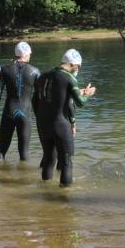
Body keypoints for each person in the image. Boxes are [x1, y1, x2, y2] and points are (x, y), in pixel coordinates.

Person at [33, 49, 97, 185]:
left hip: (43, 125)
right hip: (60, 124)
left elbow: (38, 101)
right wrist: (88, 94)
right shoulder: (69, 77)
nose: (78, 69)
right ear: (73, 64)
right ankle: (64, 200)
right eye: (78, 67)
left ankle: (44, 191)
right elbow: (80, 102)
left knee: (49, 159)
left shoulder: (43, 76)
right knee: (67, 162)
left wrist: (40, 118)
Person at [0, 41, 41, 162]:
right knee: (24, 152)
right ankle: (23, 178)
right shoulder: (35, 71)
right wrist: (40, 114)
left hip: (8, 112)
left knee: (2, 149)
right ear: (27, 54)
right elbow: (40, 96)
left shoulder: (5, 70)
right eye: (30, 54)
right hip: (25, 114)